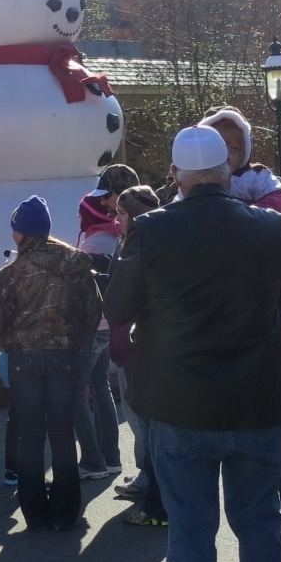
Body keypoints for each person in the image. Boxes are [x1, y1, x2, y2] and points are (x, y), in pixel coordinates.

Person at [110, 124, 281, 562]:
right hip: (257, 396)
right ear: (226, 172)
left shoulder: (151, 228)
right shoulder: (269, 225)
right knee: (260, 522)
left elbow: (117, 306)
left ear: (177, 176)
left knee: (190, 528)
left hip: (180, 397)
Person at [0, 195, 104, 532]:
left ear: (21, 232)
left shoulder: (10, 274)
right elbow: (93, 313)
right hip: (65, 359)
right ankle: (65, 513)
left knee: (31, 436)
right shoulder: (77, 267)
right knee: (63, 433)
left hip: (24, 360)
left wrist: (14, 342)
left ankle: (35, 513)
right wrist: (74, 342)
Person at [109, 185, 167, 525]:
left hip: (142, 348)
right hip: (135, 346)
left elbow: (121, 301)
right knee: (141, 421)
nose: (116, 219)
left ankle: (156, 498)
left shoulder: (142, 244)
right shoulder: (132, 241)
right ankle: (150, 481)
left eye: (121, 213)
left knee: (147, 424)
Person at [74, 174, 128, 480]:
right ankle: (111, 457)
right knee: (101, 387)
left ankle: (92, 461)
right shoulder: (116, 236)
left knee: (75, 392)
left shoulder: (93, 243)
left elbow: (83, 288)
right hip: (109, 324)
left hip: (92, 326)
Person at [199, 106, 281, 215]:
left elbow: (276, 203)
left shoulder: (257, 177)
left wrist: (244, 215)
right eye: (219, 147)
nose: (228, 155)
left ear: (244, 152)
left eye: (234, 149)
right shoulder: (196, 176)